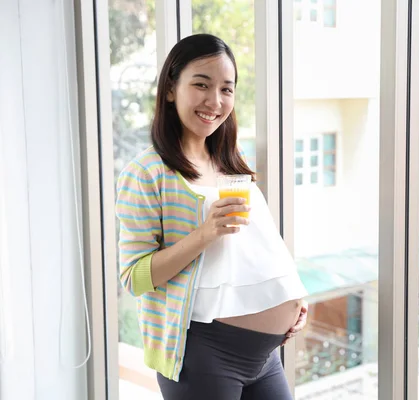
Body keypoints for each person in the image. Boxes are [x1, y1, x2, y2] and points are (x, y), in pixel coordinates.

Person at [115, 33, 309, 400]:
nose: (215, 101)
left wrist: (293, 297)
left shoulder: (230, 161)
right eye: (201, 85)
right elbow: (134, 278)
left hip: (266, 357)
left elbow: (259, 248)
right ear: (171, 89)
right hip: (203, 354)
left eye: (226, 89)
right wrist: (205, 233)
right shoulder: (147, 173)